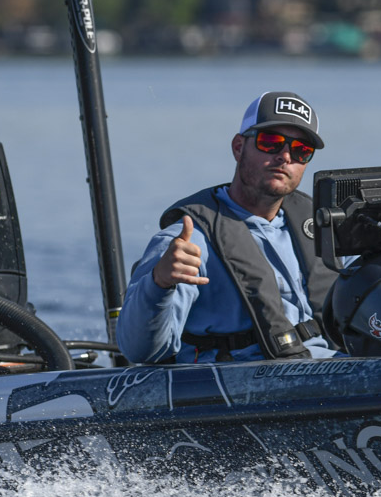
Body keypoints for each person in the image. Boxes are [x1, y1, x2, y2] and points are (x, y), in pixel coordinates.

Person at [117, 91, 341, 363]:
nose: (285, 156)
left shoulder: (325, 229)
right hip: (242, 376)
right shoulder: (186, 243)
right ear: (238, 147)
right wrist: (159, 282)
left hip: (327, 365)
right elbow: (139, 351)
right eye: (270, 142)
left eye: (301, 150)